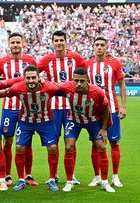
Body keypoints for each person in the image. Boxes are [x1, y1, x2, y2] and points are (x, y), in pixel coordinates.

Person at [0, 66, 60, 192]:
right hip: (25, 121)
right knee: (19, 147)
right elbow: (4, 93)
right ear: (24, 79)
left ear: (38, 78)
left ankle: (52, 179)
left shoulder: (50, 88)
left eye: (33, 78)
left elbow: (64, 90)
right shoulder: (17, 88)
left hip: (46, 120)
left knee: (53, 148)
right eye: (28, 78)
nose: (31, 81)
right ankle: (21, 179)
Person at [37, 30, 85, 184]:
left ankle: (72, 175)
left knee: (70, 142)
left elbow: (86, 73)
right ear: (52, 42)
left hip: (72, 108)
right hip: (52, 108)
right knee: (53, 142)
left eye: (61, 40)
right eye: (56, 40)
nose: (59, 43)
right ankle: (54, 174)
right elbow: (34, 74)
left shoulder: (75, 58)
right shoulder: (46, 60)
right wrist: (45, 84)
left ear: (66, 42)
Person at [0, 33, 38, 186]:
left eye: (18, 42)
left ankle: (28, 175)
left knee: (27, 142)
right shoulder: (2, 62)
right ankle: (7, 175)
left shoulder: (30, 60)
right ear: (9, 44)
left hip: (27, 108)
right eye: (13, 42)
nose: (16, 45)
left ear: (22, 43)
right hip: (9, 108)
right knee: (8, 141)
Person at [59, 68, 115, 193]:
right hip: (74, 120)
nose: (78, 84)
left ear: (88, 81)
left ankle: (105, 182)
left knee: (101, 147)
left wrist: (104, 129)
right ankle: (69, 182)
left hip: (93, 121)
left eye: (82, 81)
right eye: (76, 81)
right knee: (69, 147)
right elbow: (51, 88)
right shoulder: (67, 87)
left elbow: (106, 110)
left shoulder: (98, 92)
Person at [85, 37, 126, 188]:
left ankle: (115, 176)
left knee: (114, 142)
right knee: (96, 143)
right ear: (93, 47)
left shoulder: (114, 63)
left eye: (102, 45)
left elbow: (122, 84)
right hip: (94, 112)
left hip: (113, 109)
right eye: (97, 45)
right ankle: (97, 176)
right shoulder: (87, 64)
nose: (100, 47)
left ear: (106, 47)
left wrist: (123, 106)